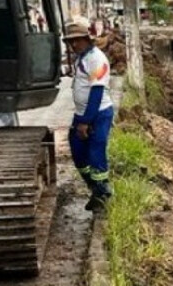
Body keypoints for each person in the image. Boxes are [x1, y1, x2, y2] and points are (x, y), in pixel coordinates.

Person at [63, 21, 115, 212]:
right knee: (78, 153)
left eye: (77, 40)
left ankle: (102, 193)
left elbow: (97, 92)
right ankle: (95, 189)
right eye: (70, 42)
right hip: (81, 114)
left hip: (99, 114)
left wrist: (86, 121)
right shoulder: (81, 59)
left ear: (87, 39)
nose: (73, 45)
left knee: (96, 153)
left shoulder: (97, 59)